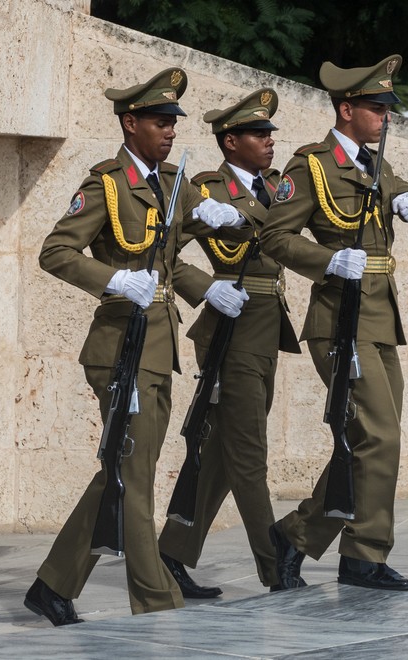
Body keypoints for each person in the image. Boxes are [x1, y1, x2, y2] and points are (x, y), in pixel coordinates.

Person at [25, 67, 250, 626]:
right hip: (119, 349)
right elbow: (55, 252)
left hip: (158, 348)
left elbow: (181, 259)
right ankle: (154, 595)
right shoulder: (106, 184)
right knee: (130, 473)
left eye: (173, 121)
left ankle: (53, 585)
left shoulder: (176, 184)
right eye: (159, 120)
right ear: (130, 123)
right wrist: (112, 279)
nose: (171, 129)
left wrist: (227, 223)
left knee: (126, 471)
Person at [260, 54, 408, 592]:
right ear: (347, 108)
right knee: (376, 437)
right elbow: (274, 236)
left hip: (382, 319)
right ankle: (357, 555)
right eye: (377, 107)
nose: (386, 116)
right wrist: (327, 260)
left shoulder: (373, 165)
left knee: (375, 440)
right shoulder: (310, 166)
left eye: (388, 107)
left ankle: (302, 538)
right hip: (340, 320)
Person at [157, 88, 301, 597]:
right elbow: (164, 253)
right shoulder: (205, 189)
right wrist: (205, 289)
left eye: (270, 134)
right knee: (249, 454)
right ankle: (275, 565)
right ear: (230, 141)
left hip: (268, 328)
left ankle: (170, 555)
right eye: (258, 135)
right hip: (230, 331)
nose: (269, 142)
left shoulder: (280, 187)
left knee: (222, 451)